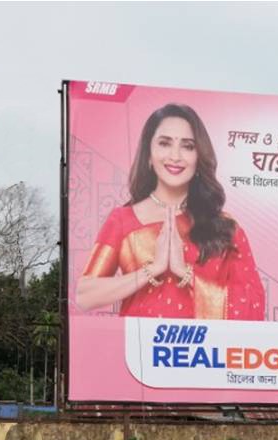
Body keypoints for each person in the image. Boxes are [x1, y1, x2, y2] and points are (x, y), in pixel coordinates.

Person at [75, 103, 266, 320]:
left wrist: (184, 272)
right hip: (141, 351)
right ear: (149, 153)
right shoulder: (123, 220)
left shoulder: (225, 227)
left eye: (188, 146)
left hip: (205, 352)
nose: (175, 156)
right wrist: (152, 270)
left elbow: (254, 304)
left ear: (198, 157)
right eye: (165, 143)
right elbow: (85, 295)